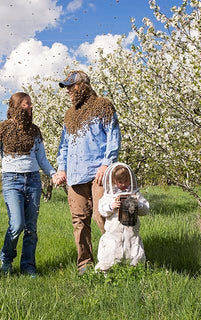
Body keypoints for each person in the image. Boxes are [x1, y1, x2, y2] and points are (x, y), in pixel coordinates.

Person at [0, 92, 56, 277]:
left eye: (31, 104)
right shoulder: (1, 129)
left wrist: (54, 174)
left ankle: (28, 266)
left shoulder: (35, 131)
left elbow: (42, 159)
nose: (31, 107)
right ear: (16, 106)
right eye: (27, 104)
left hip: (33, 180)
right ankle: (6, 259)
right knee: (17, 224)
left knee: (31, 228)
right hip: (11, 181)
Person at [53, 70, 121, 275]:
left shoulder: (103, 105)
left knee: (103, 216)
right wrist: (61, 168)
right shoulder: (70, 114)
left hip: (98, 173)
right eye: (66, 87)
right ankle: (85, 263)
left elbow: (113, 136)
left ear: (82, 85)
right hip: (74, 175)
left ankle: (114, 259)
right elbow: (63, 146)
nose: (68, 91)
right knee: (79, 220)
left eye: (71, 86)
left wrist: (106, 164)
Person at [95, 163, 149, 274]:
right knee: (110, 252)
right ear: (114, 181)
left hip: (131, 231)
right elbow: (101, 209)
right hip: (113, 232)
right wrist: (112, 206)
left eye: (126, 181)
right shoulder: (109, 195)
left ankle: (136, 271)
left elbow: (146, 209)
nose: (123, 184)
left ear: (130, 180)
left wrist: (139, 205)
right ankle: (106, 272)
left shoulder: (135, 194)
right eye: (120, 182)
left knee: (134, 251)